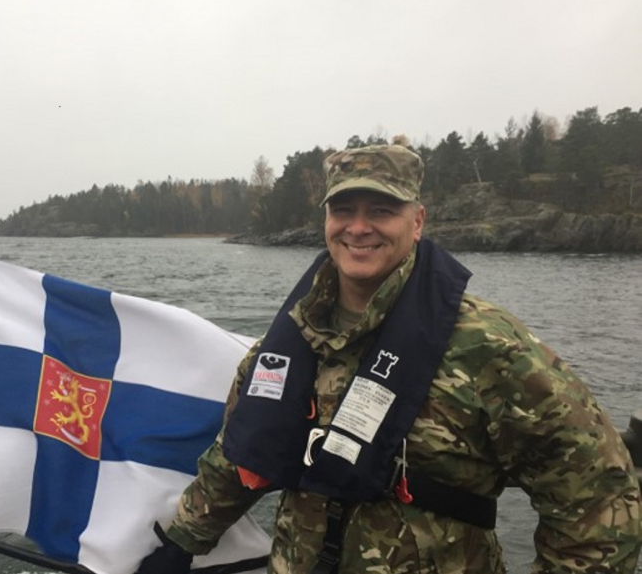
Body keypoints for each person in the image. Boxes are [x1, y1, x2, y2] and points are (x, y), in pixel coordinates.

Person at [135, 144, 642, 574]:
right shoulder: (294, 336)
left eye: (381, 211)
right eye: (344, 210)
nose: (359, 229)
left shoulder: (490, 346)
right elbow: (242, 450)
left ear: (417, 221)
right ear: (326, 221)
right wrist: (184, 541)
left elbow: (597, 492)